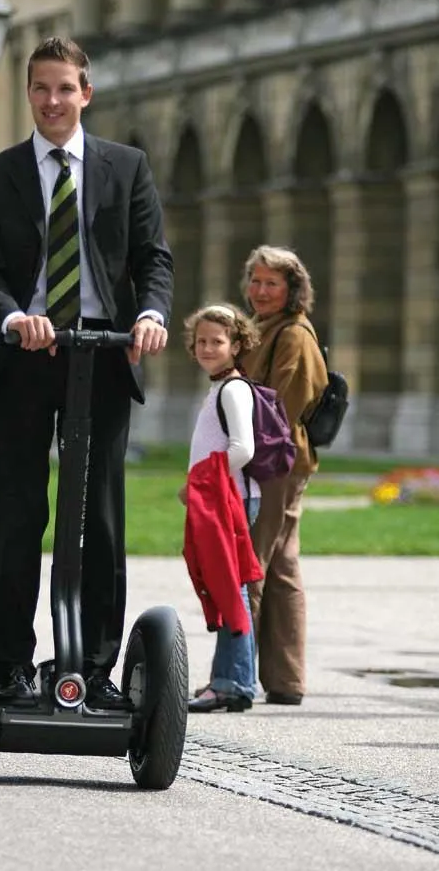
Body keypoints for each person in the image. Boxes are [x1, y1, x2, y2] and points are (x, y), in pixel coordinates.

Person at [0, 37, 173, 709]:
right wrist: (12, 320)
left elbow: (153, 259)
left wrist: (151, 315)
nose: (52, 101)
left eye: (64, 88)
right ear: (28, 95)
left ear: (87, 93)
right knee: (20, 514)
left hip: (103, 356)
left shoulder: (125, 167)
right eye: (40, 88)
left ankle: (96, 666)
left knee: (101, 517)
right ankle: (8, 663)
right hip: (27, 357)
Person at [240, 245, 328, 706]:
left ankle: (237, 675)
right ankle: (284, 679)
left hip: (275, 461)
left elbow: (284, 405)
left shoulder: (293, 334)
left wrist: (249, 453)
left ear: (292, 289)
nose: (260, 291)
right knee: (281, 565)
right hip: (276, 459)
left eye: (271, 283)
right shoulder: (265, 329)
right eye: (256, 281)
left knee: (253, 562)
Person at [179, 304, 264, 713]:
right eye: (201, 342)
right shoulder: (219, 388)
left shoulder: (233, 389)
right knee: (227, 586)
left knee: (232, 587)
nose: (208, 348)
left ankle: (235, 683)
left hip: (230, 500)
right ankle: (227, 679)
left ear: (237, 345)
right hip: (218, 497)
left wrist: (201, 479)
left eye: (217, 341)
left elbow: (243, 448)